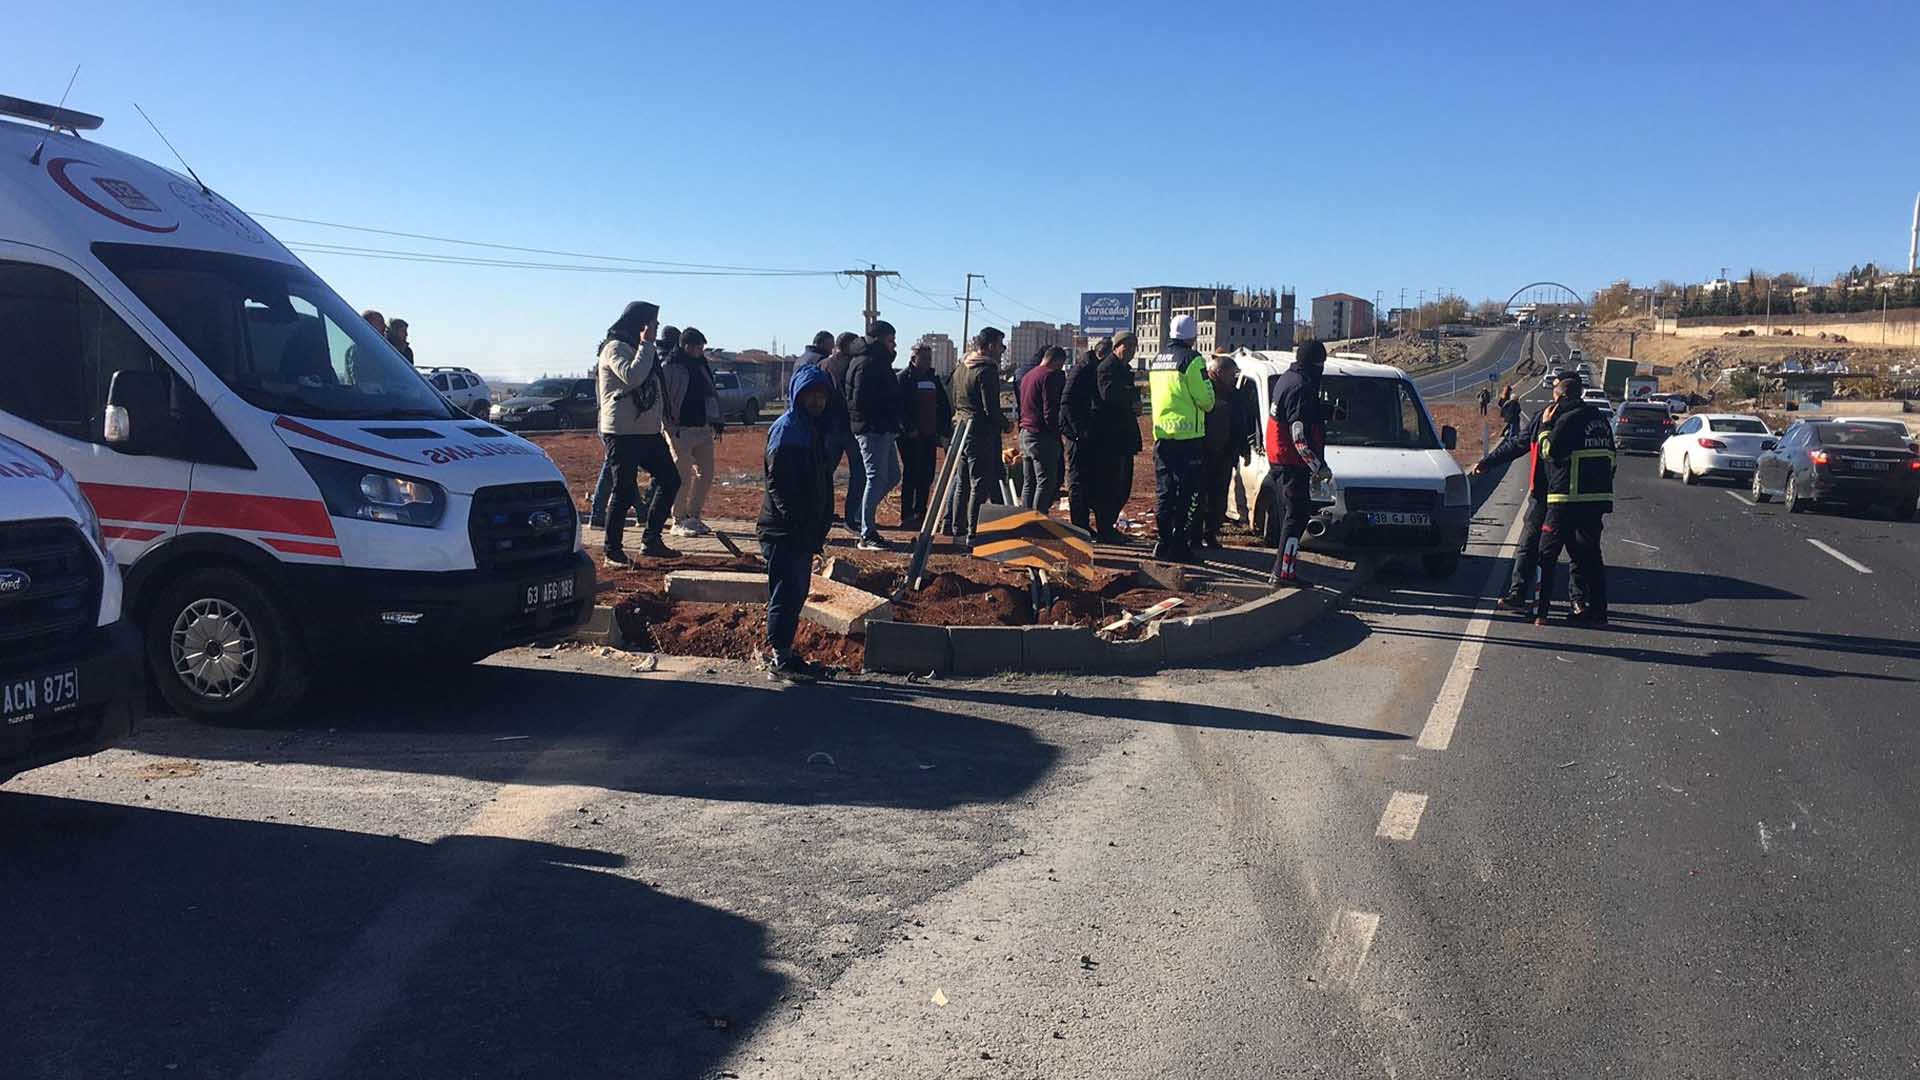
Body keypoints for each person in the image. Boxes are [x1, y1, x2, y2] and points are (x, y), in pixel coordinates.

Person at [757, 365, 837, 683]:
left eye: (822, 395)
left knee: (795, 592)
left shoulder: (811, 428)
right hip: (784, 530)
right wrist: (798, 524)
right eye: (811, 395)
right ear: (797, 395)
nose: (817, 401)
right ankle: (779, 657)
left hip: (801, 531)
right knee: (786, 593)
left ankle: (785, 653)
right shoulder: (788, 429)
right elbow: (780, 484)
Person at [596, 300, 681, 564]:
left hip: (647, 431)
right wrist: (645, 345)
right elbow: (633, 377)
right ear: (640, 324)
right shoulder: (615, 348)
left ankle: (651, 540)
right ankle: (613, 550)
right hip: (622, 432)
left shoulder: (643, 349)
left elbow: (655, 383)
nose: (656, 328)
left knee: (671, 480)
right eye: (653, 323)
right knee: (623, 490)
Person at [1531, 371, 1615, 626]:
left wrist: (1546, 426)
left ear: (1563, 397)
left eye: (1555, 398)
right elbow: (1611, 457)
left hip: (1565, 499)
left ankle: (1541, 613)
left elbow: (1549, 452)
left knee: (1546, 556)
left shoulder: (1565, 420)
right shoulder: (1599, 419)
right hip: (1596, 501)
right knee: (1589, 557)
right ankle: (1598, 611)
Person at [1470, 387, 1556, 611]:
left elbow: (1518, 445)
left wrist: (1487, 462)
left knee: (1531, 545)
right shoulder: (1592, 419)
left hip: (1549, 494)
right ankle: (1584, 603)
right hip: (1579, 499)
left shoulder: (1546, 417)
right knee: (1580, 552)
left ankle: (1520, 595)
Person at [1146, 314, 1216, 563]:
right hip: (1189, 437)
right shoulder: (1192, 359)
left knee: (1165, 492)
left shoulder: (1157, 360)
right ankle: (1180, 545)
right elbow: (1206, 400)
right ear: (1193, 336)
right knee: (1188, 493)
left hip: (1162, 435)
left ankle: (1162, 543)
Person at [1266, 340, 1329, 587]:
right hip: (1291, 462)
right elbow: (1299, 434)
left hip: (1279, 458)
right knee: (1296, 516)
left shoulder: (1286, 378)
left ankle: (1282, 570)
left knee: (1292, 515)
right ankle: (1284, 573)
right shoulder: (1302, 387)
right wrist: (1318, 467)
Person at [948, 327, 1008, 545]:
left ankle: (957, 527)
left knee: (962, 481)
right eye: (1000, 345)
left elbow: (952, 397)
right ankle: (974, 532)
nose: (1002, 351)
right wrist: (1006, 425)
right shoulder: (986, 370)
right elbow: (990, 408)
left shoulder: (963, 366)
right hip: (980, 431)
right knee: (979, 482)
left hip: (961, 428)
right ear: (990, 345)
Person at [848, 320, 904, 549]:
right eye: (891, 340)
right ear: (880, 339)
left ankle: (863, 518)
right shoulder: (868, 363)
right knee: (876, 478)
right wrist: (882, 420)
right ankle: (867, 533)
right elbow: (862, 400)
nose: (894, 345)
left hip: (883, 429)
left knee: (892, 477)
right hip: (872, 430)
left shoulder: (876, 360)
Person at [662, 326, 723, 537]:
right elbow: (664, 400)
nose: (701, 350)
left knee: (706, 474)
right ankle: (677, 520)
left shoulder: (702, 366)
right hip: (680, 430)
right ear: (686, 346)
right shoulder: (670, 367)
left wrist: (716, 420)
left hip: (703, 428)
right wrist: (670, 426)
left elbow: (711, 395)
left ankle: (693, 516)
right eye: (698, 346)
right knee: (683, 476)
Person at [1090, 332, 1142, 542]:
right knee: (1111, 486)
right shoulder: (1107, 368)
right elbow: (1109, 395)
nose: (1130, 351)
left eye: (1133, 347)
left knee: (1122, 485)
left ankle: (1108, 526)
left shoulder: (1123, 370)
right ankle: (1105, 528)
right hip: (1110, 438)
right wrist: (1131, 398)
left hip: (1122, 437)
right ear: (1116, 346)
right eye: (1126, 346)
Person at [897, 342, 951, 530]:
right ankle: (907, 514)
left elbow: (943, 405)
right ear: (914, 359)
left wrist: (943, 431)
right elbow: (898, 409)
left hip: (929, 435)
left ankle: (921, 511)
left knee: (927, 474)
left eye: (930, 358)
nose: (928, 362)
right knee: (911, 473)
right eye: (924, 358)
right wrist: (908, 428)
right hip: (910, 437)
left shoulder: (933, 379)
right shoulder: (903, 379)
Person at [1191, 351, 1240, 549]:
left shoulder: (1234, 395)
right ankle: (1194, 534)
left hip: (1225, 452)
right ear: (1219, 372)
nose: (1234, 379)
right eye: (1231, 374)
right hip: (1203, 451)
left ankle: (1210, 532)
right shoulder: (1206, 389)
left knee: (1219, 496)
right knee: (1199, 495)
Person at [1061, 338, 1108, 532]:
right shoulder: (1084, 370)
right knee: (1078, 480)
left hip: (1083, 432)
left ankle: (1083, 524)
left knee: (1087, 479)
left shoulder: (1089, 368)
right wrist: (1078, 431)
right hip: (1077, 434)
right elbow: (1067, 402)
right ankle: (1079, 526)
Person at [1018, 345, 1068, 513]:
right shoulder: (1049, 376)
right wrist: (1057, 432)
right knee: (1045, 481)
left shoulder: (1028, 376)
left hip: (1025, 432)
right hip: (1042, 435)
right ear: (1057, 361)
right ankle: (1039, 519)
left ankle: (1025, 518)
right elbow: (1050, 410)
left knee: (1029, 481)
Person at [825, 332, 865, 534]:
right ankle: (852, 518)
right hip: (849, 428)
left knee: (824, 473)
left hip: (830, 428)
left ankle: (823, 515)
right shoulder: (853, 365)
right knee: (859, 474)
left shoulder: (824, 365)